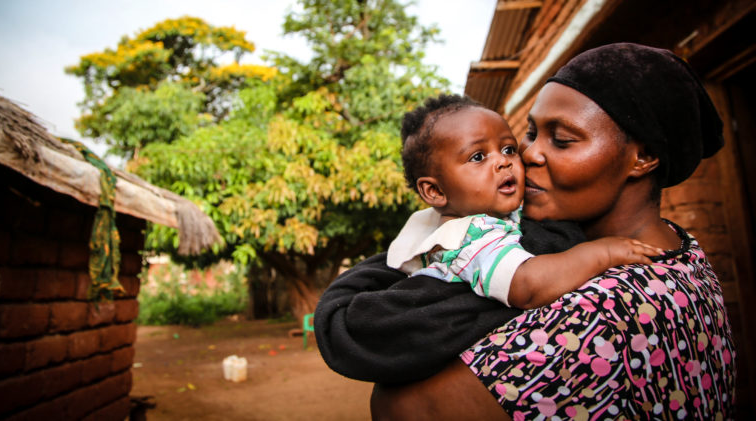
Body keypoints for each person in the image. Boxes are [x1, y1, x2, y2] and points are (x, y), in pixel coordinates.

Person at [315, 43, 736, 419]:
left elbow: (401, 408)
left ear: (642, 157)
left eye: (563, 140)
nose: (529, 153)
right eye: (531, 133)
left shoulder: (600, 310)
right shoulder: (683, 250)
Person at [389, 94, 661, 309]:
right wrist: (603, 253)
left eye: (508, 149)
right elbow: (526, 286)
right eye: (477, 157)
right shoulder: (467, 239)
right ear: (435, 192)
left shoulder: (489, 212)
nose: (503, 161)